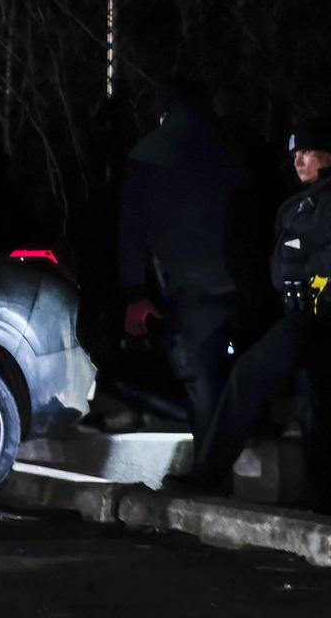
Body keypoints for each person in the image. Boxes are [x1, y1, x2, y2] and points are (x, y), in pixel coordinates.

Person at [172, 116, 331, 510]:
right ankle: (321, 495)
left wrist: (314, 287)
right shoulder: (297, 203)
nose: (299, 160)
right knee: (317, 405)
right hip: (300, 314)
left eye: (308, 152)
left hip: (317, 316)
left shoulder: (325, 201)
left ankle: (210, 473)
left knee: (253, 376)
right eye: (296, 153)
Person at [118, 77, 252, 447]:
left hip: (189, 289)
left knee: (199, 380)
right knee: (235, 377)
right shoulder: (235, 145)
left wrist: (134, 293)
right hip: (245, 285)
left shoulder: (148, 154)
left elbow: (132, 232)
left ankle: (209, 470)